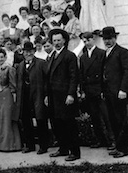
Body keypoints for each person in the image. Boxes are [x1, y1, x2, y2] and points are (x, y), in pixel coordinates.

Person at [46, 29, 80, 161]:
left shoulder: (69, 56)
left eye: (59, 40)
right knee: (57, 124)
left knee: (69, 124)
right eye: (54, 41)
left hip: (65, 97)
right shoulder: (52, 56)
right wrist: (47, 96)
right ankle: (63, 148)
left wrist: (71, 94)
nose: (57, 43)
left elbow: (74, 77)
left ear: (64, 40)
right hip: (54, 97)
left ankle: (75, 152)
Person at [79, 32, 115, 150]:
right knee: (95, 117)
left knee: (106, 117)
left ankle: (112, 141)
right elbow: (82, 75)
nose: (86, 43)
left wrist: (103, 89)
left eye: (88, 40)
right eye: (84, 41)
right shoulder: (83, 57)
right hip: (89, 90)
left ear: (93, 39)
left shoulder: (101, 53)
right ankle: (101, 140)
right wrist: (82, 90)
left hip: (99, 89)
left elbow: (104, 72)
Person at [101, 26, 128, 158]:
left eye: (110, 38)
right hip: (108, 93)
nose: (107, 41)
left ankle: (124, 149)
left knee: (121, 120)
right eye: (105, 39)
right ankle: (118, 146)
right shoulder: (105, 53)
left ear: (115, 38)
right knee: (112, 120)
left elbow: (127, 72)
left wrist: (123, 89)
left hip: (119, 92)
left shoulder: (122, 52)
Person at [16, 42, 49, 154]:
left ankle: (43, 146)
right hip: (24, 96)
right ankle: (29, 145)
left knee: (41, 120)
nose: (28, 53)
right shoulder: (20, 65)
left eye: (30, 51)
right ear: (23, 53)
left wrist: (46, 95)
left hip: (38, 95)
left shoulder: (41, 63)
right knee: (26, 120)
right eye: (26, 51)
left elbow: (47, 81)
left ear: (34, 51)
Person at [0, 48, 21, 151]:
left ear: (5, 57)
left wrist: (13, 97)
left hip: (6, 94)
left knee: (7, 119)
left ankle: (10, 145)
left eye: (1, 57)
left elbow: (13, 85)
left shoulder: (9, 69)